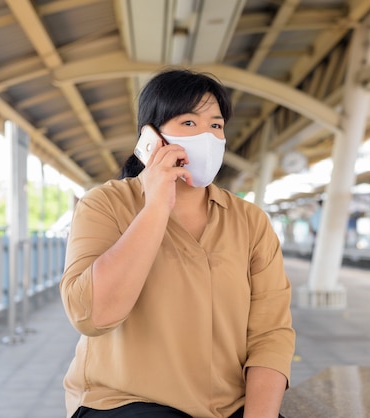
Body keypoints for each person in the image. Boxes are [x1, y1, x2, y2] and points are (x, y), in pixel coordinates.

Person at [60, 68, 295, 418]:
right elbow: (93, 316)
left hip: (229, 406)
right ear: (151, 138)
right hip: (125, 402)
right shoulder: (105, 204)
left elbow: (270, 333)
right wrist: (156, 205)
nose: (208, 136)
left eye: (216, 126)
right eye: (189, 123)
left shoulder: (250, 221)